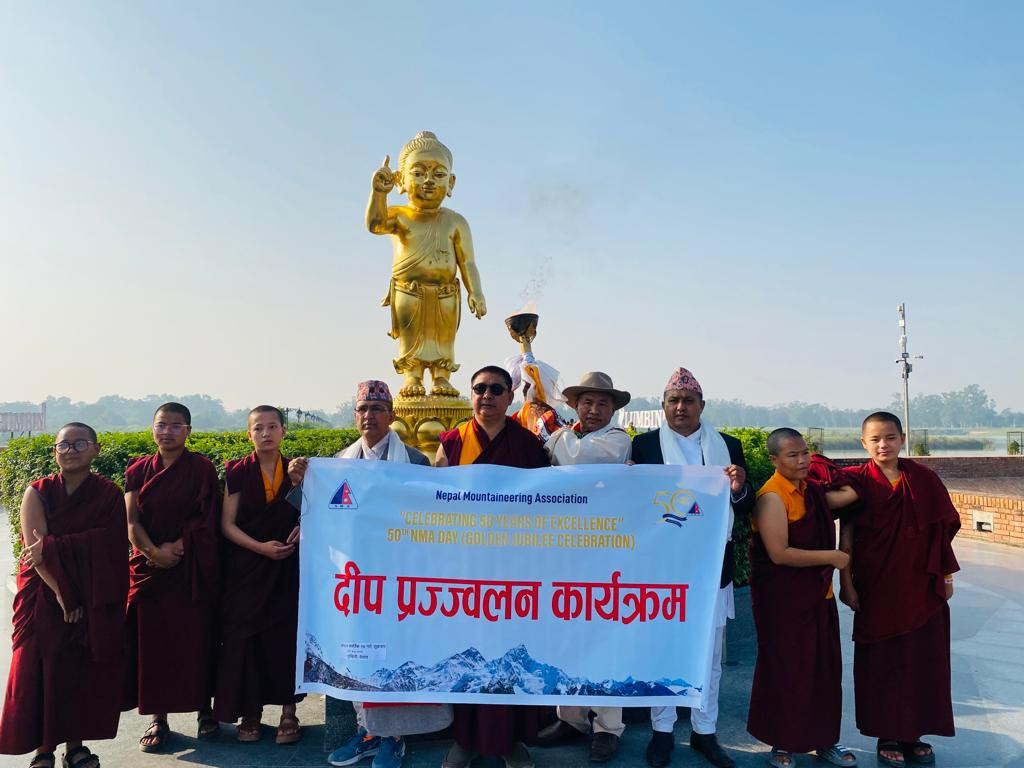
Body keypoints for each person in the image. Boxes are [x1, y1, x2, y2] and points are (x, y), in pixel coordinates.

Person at [289, 381, 437, 768]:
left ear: (391, 415)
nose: (368, 415)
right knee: (358, 657)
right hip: (356, 582)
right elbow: (316, 513)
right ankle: (366, 731)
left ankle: (395, 738)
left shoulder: (418, 462)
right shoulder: (339, 462)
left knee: (396, 657)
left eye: (376, 408)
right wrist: (300, 481)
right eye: (362, 409)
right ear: (355, 416)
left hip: (400, 578)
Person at [630, 367, 753, 768]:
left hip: (709, 566)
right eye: (672, 401)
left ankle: (705, 733)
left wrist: (739, 488)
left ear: (702, 406)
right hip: (662, 569)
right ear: (663, 406)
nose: (680, 407)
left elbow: (744, 507)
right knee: (662, 650)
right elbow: (632, 507)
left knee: (709, 656)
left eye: (688, 401)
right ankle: (662, 733)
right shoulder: (645, 446)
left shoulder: (727, 446)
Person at [436, 365, 549, 768]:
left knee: (511, 653)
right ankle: (465, 739)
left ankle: (512, 741)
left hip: (513, 570)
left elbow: (548, 504)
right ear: (471, 394)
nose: (487, 395)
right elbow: (435, 503)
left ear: (510, 396)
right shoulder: (451, 443)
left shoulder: (529, 446)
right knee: (468, 653)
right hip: (466, 569)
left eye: (496, 389)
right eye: (480, 388)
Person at [0, 423, 129, 768]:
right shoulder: (37, 491)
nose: (71, 450)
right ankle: (43, 751)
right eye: (63, 445)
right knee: (38, 667)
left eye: (79, 443)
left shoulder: (109, 494)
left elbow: (112, 547)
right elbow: (36, 555)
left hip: (91, 593)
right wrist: (63, 594)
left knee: (77, 670)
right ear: (55, 452)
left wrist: (73, 588)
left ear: (96, 450)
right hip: (45, 593)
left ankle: (75, 747)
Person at [839, 412, 959, 768]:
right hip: (877, 587)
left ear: (902, 439)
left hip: (922, 584)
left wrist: (947, 577)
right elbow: (845, 536)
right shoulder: (855, 482)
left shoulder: (924, 479)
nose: (883, 445)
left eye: (890, 437)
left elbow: (942, 531)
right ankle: (887, 733)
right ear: (863, 443)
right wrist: (845, 584)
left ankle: (915, 733)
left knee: (923, 660)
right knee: (883, 663)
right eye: (875, 439)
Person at [746, 429, 858, 768]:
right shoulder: (772, 497)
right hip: (783, 601)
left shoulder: (810, 490)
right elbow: (779, 554)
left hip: (817, 596)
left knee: (824, 671)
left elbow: (851, 495)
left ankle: (824, 741)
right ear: (774, 460)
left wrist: (871, 475)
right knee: (787, 671)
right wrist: (832, 557)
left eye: (805, 453)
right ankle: (781, 742)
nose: (802, 460)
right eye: (793, 455)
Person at [535, 372, 631, 763]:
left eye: (602, 404)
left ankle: (608, 727)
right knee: (565, 638)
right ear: (575, 404)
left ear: (613, 409)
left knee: (605, 640)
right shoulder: (562, 435)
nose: (594, 410)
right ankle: (570, 717)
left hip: (604, 553)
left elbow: (577, 459)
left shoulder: (617, 441)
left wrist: (546, 425)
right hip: (563, 551)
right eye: (587, 402)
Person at [123, 402, 221, 752]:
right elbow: (132, 522)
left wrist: (177, 548)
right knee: (154, 647)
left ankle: (204, 711)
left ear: (188, 431)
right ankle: (158, 718)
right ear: (152, 429)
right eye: (161, 425)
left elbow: (208, 520)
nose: (167, 432)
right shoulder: (137, 471)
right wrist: (154, 553)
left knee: (197, 640)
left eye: (176, 426)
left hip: (191, 568)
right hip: (151, 571)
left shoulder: (202, 468)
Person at [367, 131, 487, 397]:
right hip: (408, 291)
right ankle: (413, 376)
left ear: (452, 181)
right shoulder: (399, 215)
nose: (428, 181)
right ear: (400, 179)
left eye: (439, 174)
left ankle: (442, 377)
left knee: (444, 339)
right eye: (418, 173)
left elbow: (468, 261)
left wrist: (475, 291)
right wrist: (378, 193)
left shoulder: (456, 221)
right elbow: (375, 225)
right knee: (411, 338)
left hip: (446, 292)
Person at [213, 406, 303, 744]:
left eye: (272, 427)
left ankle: (289, 713)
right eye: (258, 428)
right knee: (247, 642)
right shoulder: (237, 472)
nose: (265, 433)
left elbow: (315, 510)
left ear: (283, 431)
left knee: (286, 639)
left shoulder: (299, 469)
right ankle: (251, 713)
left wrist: (301, 527)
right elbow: (227, 524)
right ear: (248, 434)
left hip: (287, 567)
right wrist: (260, 548)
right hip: (248, 568)